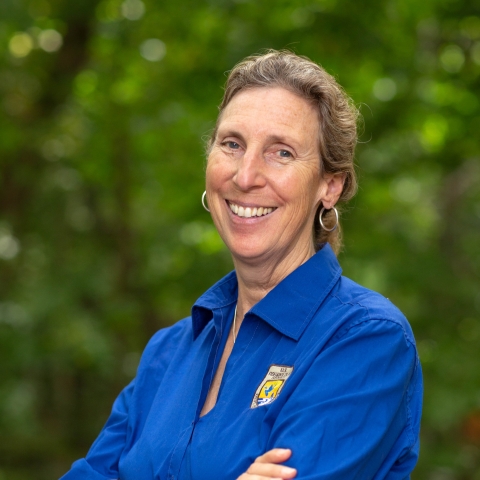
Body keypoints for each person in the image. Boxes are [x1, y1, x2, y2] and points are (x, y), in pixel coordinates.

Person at [61, 50, 422, 480]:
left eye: (282, 152)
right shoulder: (169, 350)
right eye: (232, 144)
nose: (246, 176)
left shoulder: (366, 340)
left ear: (330, 185)